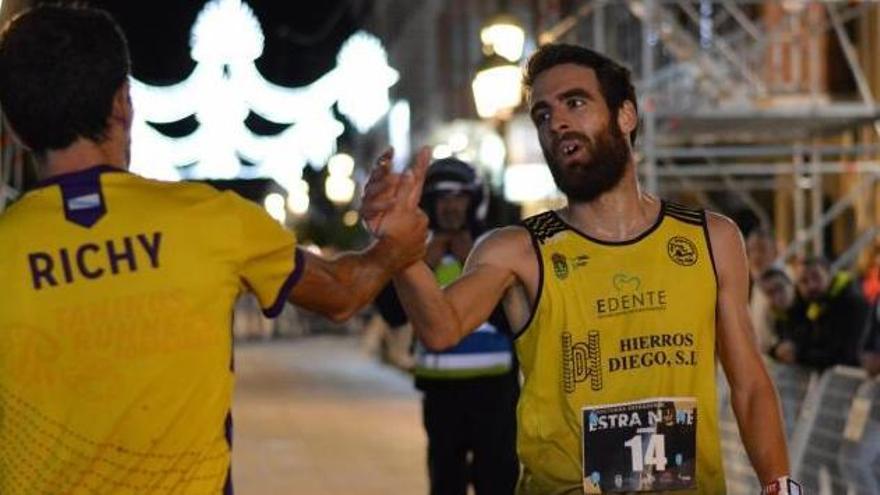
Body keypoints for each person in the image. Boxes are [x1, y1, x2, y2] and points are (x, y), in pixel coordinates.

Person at [0, 5, 427, 494]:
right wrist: (395, 246)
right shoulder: (209, 218)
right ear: (123, 103)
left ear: (14, 127)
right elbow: (343, 293)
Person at [363, 44, 797, 494]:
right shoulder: (518, 250)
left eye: (575, 102)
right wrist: (400, 248)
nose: (558, 123)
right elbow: (441, 328)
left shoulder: (711, 238)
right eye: (543, 116)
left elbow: (749, 386)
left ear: (626, 115)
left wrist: (782, 486)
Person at [374, 158, 519, 495]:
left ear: (473, 200)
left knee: (498, 479)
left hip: (495, 390)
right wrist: (422, 265)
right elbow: (392, 314)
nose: (451, 207)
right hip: (441, 393)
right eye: (442, 198)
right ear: (429, 203)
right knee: (445, 481)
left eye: (458, 198)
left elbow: (516, 318)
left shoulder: (496, 248)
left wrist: (476, 264)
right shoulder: (415, 255)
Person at [792, 257, 870, 371]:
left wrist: (799, 355)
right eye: (804, 281)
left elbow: (845, 356)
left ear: (829, 274)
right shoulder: (811, 302)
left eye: (816, 277)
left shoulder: (852, 302)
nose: (811, 285)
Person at [757, 268, 804, 365]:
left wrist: (798, 352)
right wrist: (776, 351)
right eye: (770, 293)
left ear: (791, 283)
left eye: (780, 288)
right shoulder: (778, 315)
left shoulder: (809, 304)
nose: (777, 296)